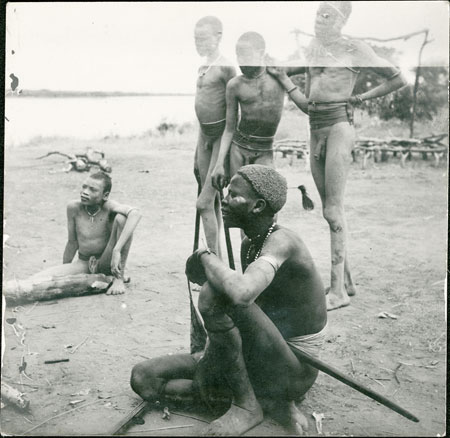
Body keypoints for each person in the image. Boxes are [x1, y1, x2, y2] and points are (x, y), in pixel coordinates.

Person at [131, 165, 327, 436]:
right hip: (260, 356)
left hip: (293, 368)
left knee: (214, 294)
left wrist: (205, 256)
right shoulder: (251, 243)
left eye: (233, 195)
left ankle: (248, 405)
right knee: (144, 379)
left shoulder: (283, 242)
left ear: (258, 206)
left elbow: (242, 294)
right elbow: (250, 317)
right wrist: (212, 359)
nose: (223, 199)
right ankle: (269, 402)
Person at [268, 1, 407, 310]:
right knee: (329, 211)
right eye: (318, 13)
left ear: (342, 21)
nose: (320, 19)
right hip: (315, 129)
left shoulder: (355, 47)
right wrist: (281, 77)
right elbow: (306, 104)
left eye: (328, 15)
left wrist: (360, 97)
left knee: (333, 211)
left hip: (339, 128)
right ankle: (347, 282)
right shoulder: (313, 49)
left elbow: (398, 78)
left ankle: (337, 293)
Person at [211, 32, 305, 191]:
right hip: (238, 149)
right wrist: (219, 164)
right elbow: (229, 128)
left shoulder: (278, 72)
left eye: (246, 55)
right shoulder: (235, 85)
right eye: (238, 56)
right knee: (237, 200)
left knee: (268, 201)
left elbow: (312, 65)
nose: (241, 60)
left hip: (264, 151)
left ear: (261, 53)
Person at [30, 171, 141, 295]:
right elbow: (72, 242)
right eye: (84, 187)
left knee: (122, 219)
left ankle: (118, 278)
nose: (85, 192)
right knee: (37, 279)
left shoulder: (109, 207)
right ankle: (106, 278)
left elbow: (135, 213)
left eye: (93, 190)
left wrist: (116, 250)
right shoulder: (73, 208)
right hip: (84, 263)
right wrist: (65, 271)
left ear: (105, 195)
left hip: (106, 262)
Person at [194, 16, 236, 254]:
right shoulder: (202, 67)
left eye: (203, 38)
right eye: (195, 38)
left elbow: (233, 115)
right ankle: (217, 260)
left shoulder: (226, 67)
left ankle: (214, 268)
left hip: (221, 138)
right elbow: (203, 113)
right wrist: (196, 151)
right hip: (204, 139)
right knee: (213, 203)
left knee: (203, 203)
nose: (198, 43)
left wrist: (223, 158)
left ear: (218, 37)